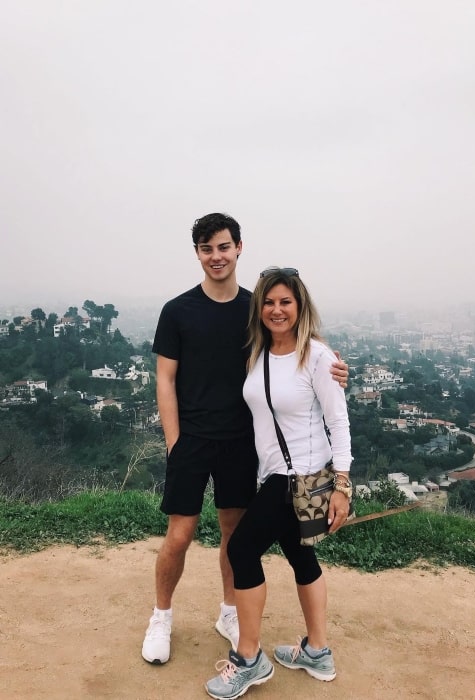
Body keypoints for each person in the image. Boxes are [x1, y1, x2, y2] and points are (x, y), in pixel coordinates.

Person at [142, 215, 349, 665]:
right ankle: (161, 615)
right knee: (180, 534)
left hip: (240, 443)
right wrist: (175, 442)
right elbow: (165, 379)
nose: (215, 256)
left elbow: (290, 344)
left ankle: (230, 610)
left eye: (223, 247)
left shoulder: (252, 309)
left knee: (233, 531)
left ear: (239, 248)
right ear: (197, 253)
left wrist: (332, 367)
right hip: (192, 440)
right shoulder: (177, 311)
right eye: (206, 248)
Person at [205, 266, 352, 699]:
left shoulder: (318, 356)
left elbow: (338, 422)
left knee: (242, 549)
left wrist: (342, 486)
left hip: (298, 479)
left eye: (285, 301)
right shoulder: (260, 353)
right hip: (275, 475)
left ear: (300, 305)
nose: (276, 309)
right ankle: (317, 652)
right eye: (268, 302)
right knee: (299, 557)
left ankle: (249, 659)